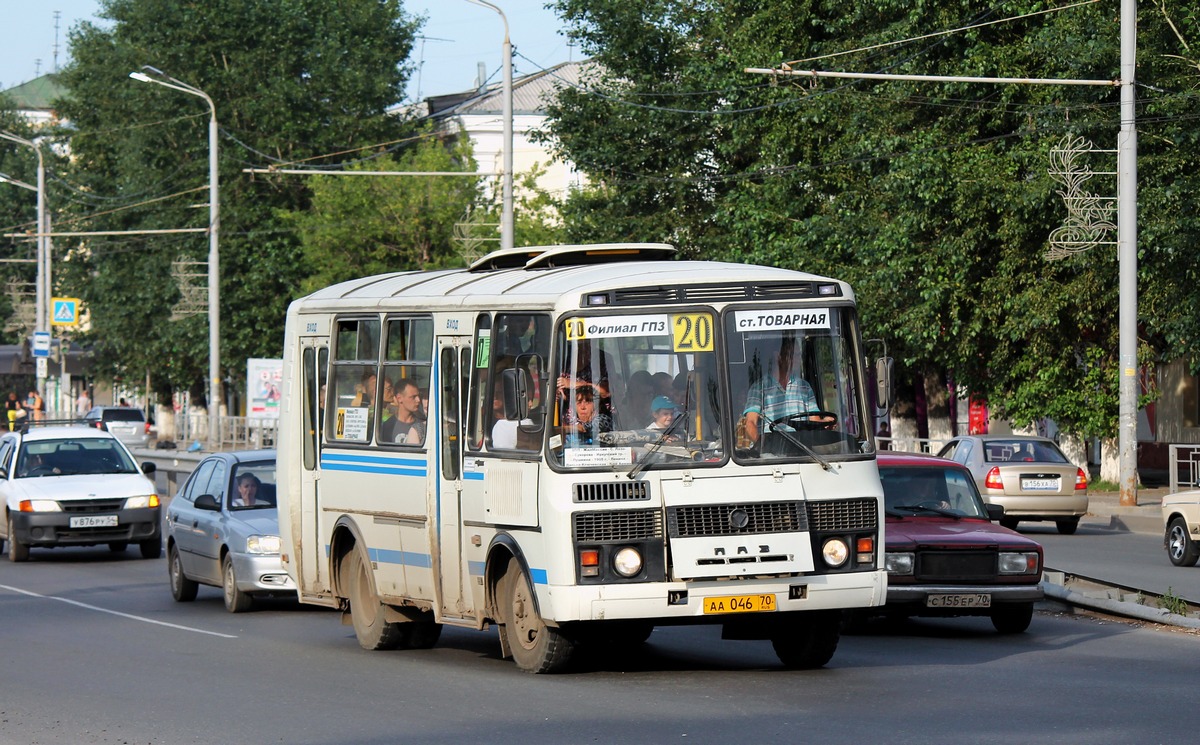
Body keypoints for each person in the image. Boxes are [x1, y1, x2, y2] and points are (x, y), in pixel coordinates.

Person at [741, 336, 832, 446]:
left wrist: (825, 423)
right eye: (795, 355)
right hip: (772, 455)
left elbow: (814, 422)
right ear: (778, 356)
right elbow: (750, 423)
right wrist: (763, 449)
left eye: (799, 355)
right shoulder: (759, 388)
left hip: (802, 452)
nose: (799, 359)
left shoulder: (804, 387)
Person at [381, 379, 425, 445]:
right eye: (413, 397)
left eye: (418, 396)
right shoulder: (388, 427)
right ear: (399, 398)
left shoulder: (422, 426)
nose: (418, 400)